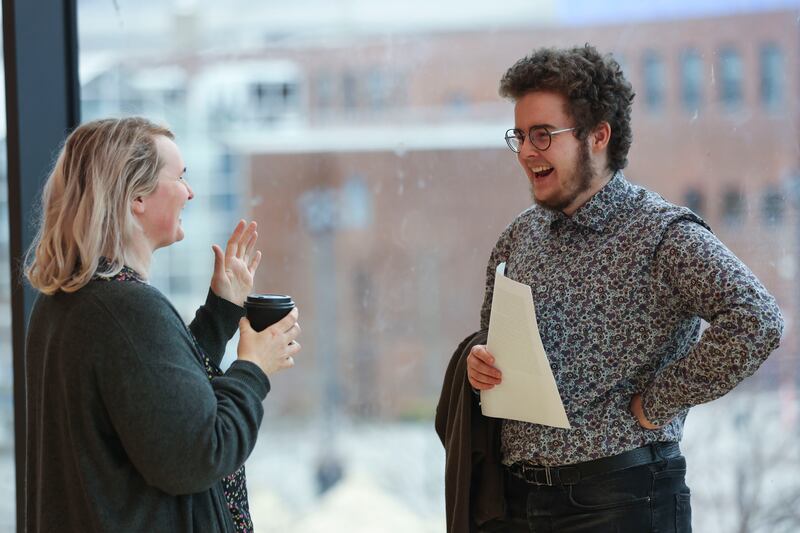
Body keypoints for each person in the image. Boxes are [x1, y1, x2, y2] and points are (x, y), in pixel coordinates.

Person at [436, 45, 784, 532]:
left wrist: (659, 402)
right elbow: (495, 347)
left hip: (622, 502)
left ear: (599, 135)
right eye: (520, 136)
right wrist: (481, 366)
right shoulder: (519, 236)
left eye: (543, 135)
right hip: (515, 504)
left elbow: (758, 319)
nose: (528, 152)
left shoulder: (661, 233)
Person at [24, 117, 302, 533]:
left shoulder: (70, 302)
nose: (190, 192)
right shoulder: (127, 308)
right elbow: (199, 454)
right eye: (181, 177)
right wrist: (253, 370)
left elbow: (153, 406)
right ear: (136, 195)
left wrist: (220, 313)